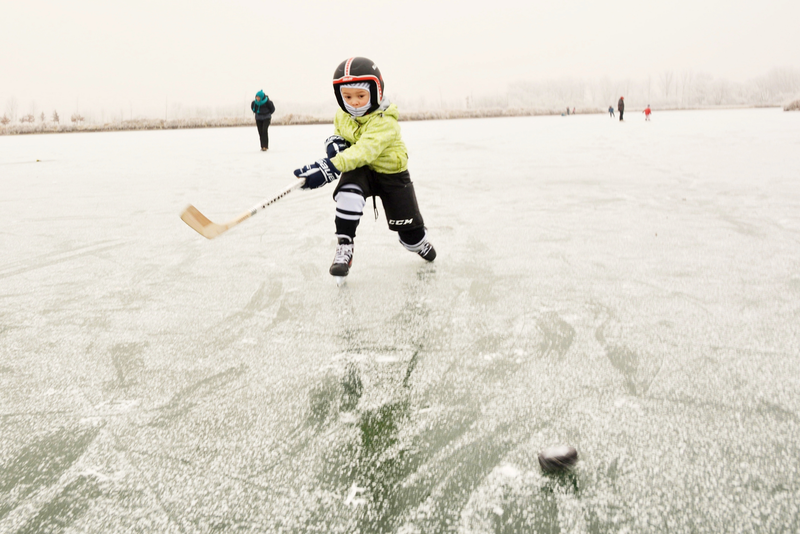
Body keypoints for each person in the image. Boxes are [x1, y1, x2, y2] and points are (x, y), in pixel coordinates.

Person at [293, 57, 436, 279]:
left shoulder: (385, 121)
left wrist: (330, 166)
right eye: (347, 97)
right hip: (361, 169)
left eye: (361, 95)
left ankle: (418, 242)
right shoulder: (343, 115)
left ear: (376, 92)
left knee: (410, 237)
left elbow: (365, 150)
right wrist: (333, 143)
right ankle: (344, 245)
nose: (355, 102)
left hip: (391, 174)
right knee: (347, 193)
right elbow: (343, 138)